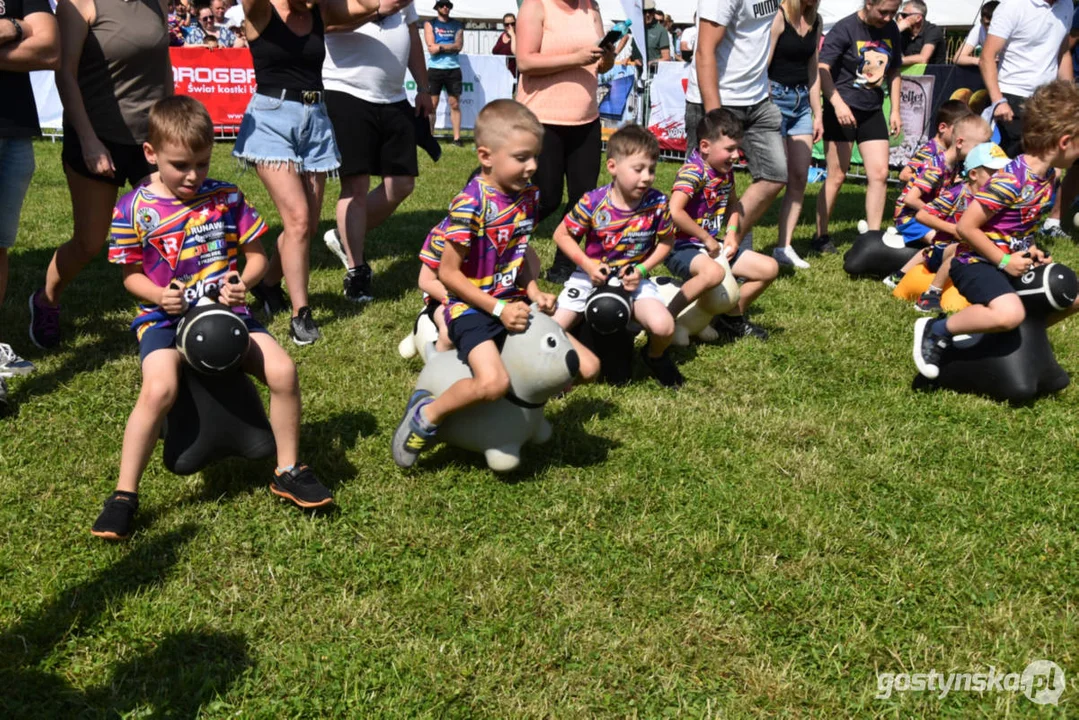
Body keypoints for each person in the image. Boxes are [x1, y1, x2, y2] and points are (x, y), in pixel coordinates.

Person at [92, 96, 333, 541]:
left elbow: (257, 256)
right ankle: (124, 495)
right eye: (180, 164)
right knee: (159, 387)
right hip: (164, 322)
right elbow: (130, 276)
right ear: (151, 155)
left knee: (283, 370)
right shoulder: (132, 209)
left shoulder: (226, 197)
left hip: (230, 313)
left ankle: (288, 469)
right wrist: (159, 296)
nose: (192, 176)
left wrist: (243, 282)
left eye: (202, 163)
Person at [390, 100, 585, 468]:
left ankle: (522, 422)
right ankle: (426, 416)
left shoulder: (528, 196)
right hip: (472, 307)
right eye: (522, 157)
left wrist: (533, 291)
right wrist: (497, 308)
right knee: (493, 383)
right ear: (486, 156)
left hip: (511, 301)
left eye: (536, 157)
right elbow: (447, 274)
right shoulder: (469, 204)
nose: (532, 167)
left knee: (584, 368)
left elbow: (518, 253)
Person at [29, 0, 172, 351]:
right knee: (90, 242)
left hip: (150, 140)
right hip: (96, 136)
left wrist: (171, 129)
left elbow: (163, 67)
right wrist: (90, 141)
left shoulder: (157, 4)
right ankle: (46, 300)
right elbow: (65, 74)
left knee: (164, 231)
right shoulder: (79, 5)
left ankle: (163, 316)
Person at [233, 0, 378, 346]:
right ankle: (302, 315)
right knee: (297, 220)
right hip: (271, 119)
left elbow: (372, 5)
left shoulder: (321, 12)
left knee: (308, 226)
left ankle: (267, 284)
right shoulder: (262, 12)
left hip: (315, 122)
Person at [913, 80, 1079, 380]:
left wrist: (1029, 251)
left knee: (1073, 294)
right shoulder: (1011, 179)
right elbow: (966, 227)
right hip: (974, 261)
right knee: (1010, 312)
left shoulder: (1048, 177)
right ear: (1065, 142)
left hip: (1007, 259)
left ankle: (1026, 339)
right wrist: (1004, 261)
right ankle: (937, 329)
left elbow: (1015, 226)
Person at [552, 125, 681, 387]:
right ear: (612, 166)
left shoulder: (657, 203)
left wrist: (642, 271)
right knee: (554, 327)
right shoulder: (593, 201)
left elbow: (667, 241)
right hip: (588, 278)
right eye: (638, 169)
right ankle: (561, 370)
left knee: (664, 327)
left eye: (652, 170)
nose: (647, 178)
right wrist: (587, 265)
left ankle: (654, 355)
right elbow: (561, 235)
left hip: (634, 280)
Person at [321, 0, 433, 304]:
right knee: (354, 186)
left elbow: (411, 34)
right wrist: (379, 10)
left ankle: (345, 238)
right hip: (346, 90)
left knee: (402, 184)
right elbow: (326, 23)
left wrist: (423, 87)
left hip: (394, 97)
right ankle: (356, 272)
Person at [516, 0, 614, 283]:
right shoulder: (536, 6)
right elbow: (525, 61)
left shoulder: (591, 7)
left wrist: (606, 57)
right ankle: (496, 240)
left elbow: (600, 64)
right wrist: (577, 58)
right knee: (545, 197)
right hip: (541, 119)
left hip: (586, 120)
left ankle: (563, 264)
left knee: (583, 200)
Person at [688, 0, 787, 267]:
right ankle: (694, 263)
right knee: (701, 188)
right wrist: (714, 118)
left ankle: (731, 248)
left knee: (775, 174)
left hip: (757, 100)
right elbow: (704, 51)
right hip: (718, 99)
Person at [665, 109, 776, 342]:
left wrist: (733, 235)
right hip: (682, 247)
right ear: (705, 146)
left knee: (769, 269)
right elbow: (674, 212)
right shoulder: (693, 172)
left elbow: (734, 206)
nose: (736, 156)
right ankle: (666, 320)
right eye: (729, 149)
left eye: (738, 148)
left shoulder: (725, 173)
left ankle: (728, 318)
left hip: (713, 247)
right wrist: (706, 238)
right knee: (713, 273)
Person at [0, 0, 60, 401]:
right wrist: (17, 29)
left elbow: (50, 48)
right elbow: (33, 38)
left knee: (0, 247)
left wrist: (14, 28)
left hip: (14, 132)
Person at [814, 0, 903, 253]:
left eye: (893, 13)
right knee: (837, 175)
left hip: (872, 109)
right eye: (883, 11)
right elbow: (822, 69)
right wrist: (838, 104)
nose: (887, 17)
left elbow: (895, 70)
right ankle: (821, 235)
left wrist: (895, 110)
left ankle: (873, 238)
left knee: (879, 174)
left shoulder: (892, 29)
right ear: (869, 3)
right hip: (841, 108)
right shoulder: (845, 28)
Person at [885, 114, 991, 286]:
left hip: (927, 216)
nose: (981, 153)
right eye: (978, 148)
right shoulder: (936, 166)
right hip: (910, 218)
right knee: (940, 242)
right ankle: (898, 277)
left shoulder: (955, 165)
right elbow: (911, 199)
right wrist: (940, 218)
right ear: (960, 143)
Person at [907, 142, 1011, 312]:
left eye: (1002, 172)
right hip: (944, 250)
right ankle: (930, 295)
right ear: (974, 174)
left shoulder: (998, 199)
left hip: (978, 252)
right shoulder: (957, 193)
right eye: (993, 172)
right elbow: (922, 215)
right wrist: (954, 230)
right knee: (962, 248)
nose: (999, 177)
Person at [767, 0, 822, 270]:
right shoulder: (778, 17)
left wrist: (817, 113)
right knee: (774, 176)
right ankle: (740, 237)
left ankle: (784, 246)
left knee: (799, 175)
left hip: (802, 104)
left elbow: (813, 69)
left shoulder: (816, 20)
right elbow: (764, 64)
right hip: (775, 98)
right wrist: (765, 103)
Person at [979, 0, 1072, 159]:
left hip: (1046, 100)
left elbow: (1062, 53)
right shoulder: (1013, 6)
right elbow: (987, 57)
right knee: (1009, 167)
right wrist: (998, 101)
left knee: (1046, 163)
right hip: (1011, 99)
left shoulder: (1067, 5)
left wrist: (1071, 98)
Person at [898, 99, 972, 183]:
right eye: (959, 130)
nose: (963, 135)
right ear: (942, 128)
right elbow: (904, 175)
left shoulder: (950, 152)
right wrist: (929, 183)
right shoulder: (930, 150)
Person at [424, 0, 464, 146]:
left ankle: (457, 138)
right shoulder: (430, 24)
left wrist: (440, 47)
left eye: (448, 5)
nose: (445, 7)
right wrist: (449, 46)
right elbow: (430, 47)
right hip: (435, 69)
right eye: (442, 5)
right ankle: (429, 137)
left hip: (453, 68)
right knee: (432, 105)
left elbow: (458, 46)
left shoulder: (457, 25)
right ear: (437, 7)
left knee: (454, 104)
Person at [896, 0, 945, 66]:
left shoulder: (933, 31)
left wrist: (893, 61)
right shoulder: (903, 32)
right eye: (899, 15)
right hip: (909, 74)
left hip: (933, 74)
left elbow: (923, 59)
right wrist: (896, 30)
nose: (900, 18)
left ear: (918, 18)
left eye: (904, 15)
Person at [952, 0, 998, 66]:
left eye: (995, 23)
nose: (991, 27)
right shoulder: (978, 29)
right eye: (987, 24)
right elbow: (957, 58)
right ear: (981, 21)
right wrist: (981, 61)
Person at [644, 0, 670, 65]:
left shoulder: (661, 30)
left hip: (652, 72)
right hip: (635, 71)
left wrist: (652, 62)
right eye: (644, 11)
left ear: (654, 12)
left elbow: (666, 58)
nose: (647, 14)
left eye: (650, 11)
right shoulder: (637, 29)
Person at [492, 12, 517, 77]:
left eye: (513, 24)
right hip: (500, 74)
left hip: (512, 75)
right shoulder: (502, 35)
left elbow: (515, 52)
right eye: (507, 24)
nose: (510, 26)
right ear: (504, 25)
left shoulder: (518, 36)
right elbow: (494, 51)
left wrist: (513, 36)